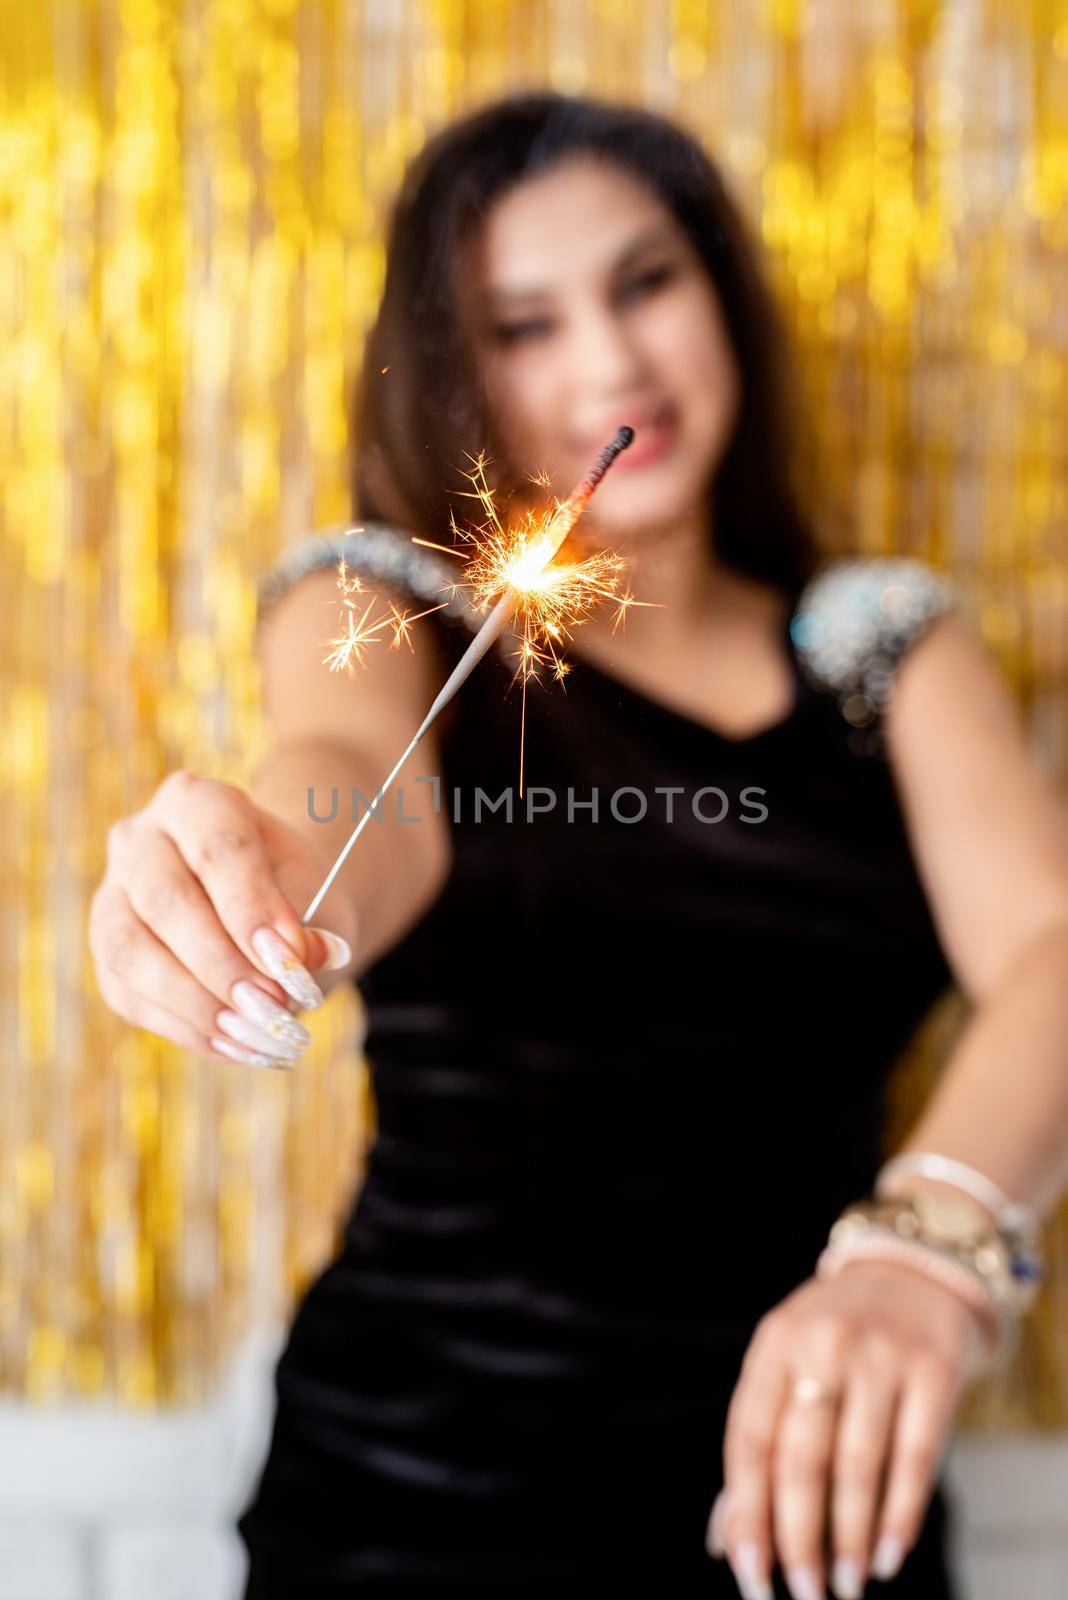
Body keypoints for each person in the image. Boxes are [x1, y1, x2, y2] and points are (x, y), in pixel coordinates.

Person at [88, 92, 1068, 1599]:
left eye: (646, 282)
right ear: (456, 370)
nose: (613, 362)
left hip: (811, 1504)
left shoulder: (886, 651)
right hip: (407, 1511)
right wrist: (251, 872)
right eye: (523, 322)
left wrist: (921, 1253)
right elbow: (349, 782)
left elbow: (1053, 953)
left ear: (722, 293)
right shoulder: (384, 596)